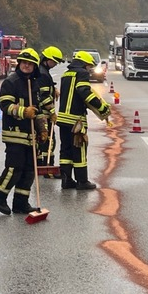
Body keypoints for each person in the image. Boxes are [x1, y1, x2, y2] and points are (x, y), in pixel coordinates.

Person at [0, 48, 44, 215]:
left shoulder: (34, 84)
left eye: (30, 64)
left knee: (29, 170)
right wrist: (23, 112)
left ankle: (20, 203)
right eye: (24, 63)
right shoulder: (11, 82)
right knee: (14, 168)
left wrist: (43, 129)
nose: (26, 66)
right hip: (15, 134)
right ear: (19, 63)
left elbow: (39, 111)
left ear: (35, 66)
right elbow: (4, 105)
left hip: (31, 135)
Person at [56, 50, 112, 190]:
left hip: (63, 118)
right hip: (76, 120)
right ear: (84, 64)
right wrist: (101, 108)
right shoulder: (82, 73)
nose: (89, 69)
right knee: (79, 149)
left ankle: (66, 180)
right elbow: (84, 92)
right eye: (89, 66)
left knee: (66, 150)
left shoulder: (66, 74)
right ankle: (82, 181)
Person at [35, 46, 65, 174]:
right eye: (54, 62)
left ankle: (40, 165)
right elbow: (43, 95)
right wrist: (52, 112)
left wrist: (54, 89)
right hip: (43, 114)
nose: (55, 65)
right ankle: (48, 169)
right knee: (49, 141)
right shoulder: (42, 73)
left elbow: (46, 88)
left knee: (42, 140)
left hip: (41, 113)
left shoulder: (42, 71)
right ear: (46, 59)